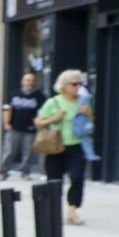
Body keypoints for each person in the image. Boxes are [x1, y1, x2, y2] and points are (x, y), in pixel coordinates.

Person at [35, 69, 90, 223]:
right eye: (74, 84)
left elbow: (92, 121)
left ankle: (72, 211)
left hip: (77, 145)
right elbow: (39, 122)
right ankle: (52, 211)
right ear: (64, 85)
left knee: (78, 177)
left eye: (80, 83)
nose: (77, 86)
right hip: (56, 147)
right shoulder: (54, 102)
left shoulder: (83, 101)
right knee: (54, 180)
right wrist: (55, 118)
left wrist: (88, 114)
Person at [0, 71, 42, 181]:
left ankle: (25, 172)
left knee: (28, 153)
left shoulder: (39, 96)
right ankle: (3, 171)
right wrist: (6, 123)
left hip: (30, 129)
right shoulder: (14, 94)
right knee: (9, 151)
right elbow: (6, 108)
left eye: (33, 81)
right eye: (28, 80)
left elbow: (42, 112)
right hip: (14, 127)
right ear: (22, 82)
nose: (30, 83)